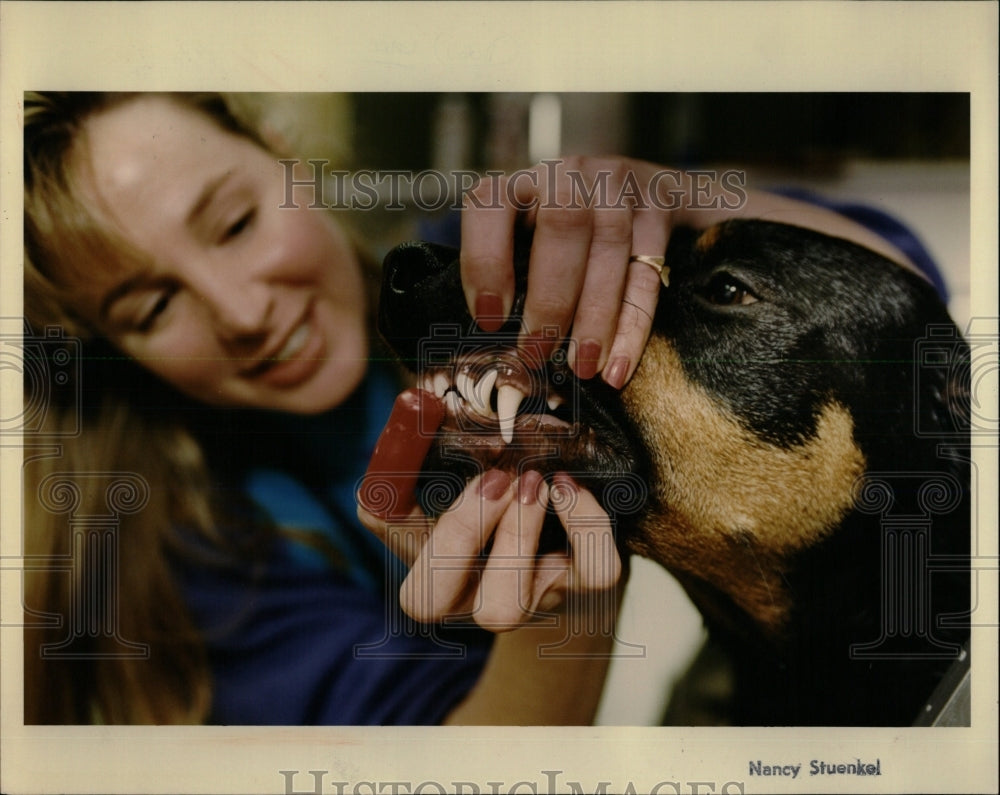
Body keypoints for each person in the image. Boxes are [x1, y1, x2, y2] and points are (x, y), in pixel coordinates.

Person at [21, 92, 927, 726]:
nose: (244, 311)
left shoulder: (480, 273)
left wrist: (671, 198)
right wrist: (556, 611)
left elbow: (884, 302)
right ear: (116, 352)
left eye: (234, 223)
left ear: (285, 159)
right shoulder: (189, 550)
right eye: (151, 307)